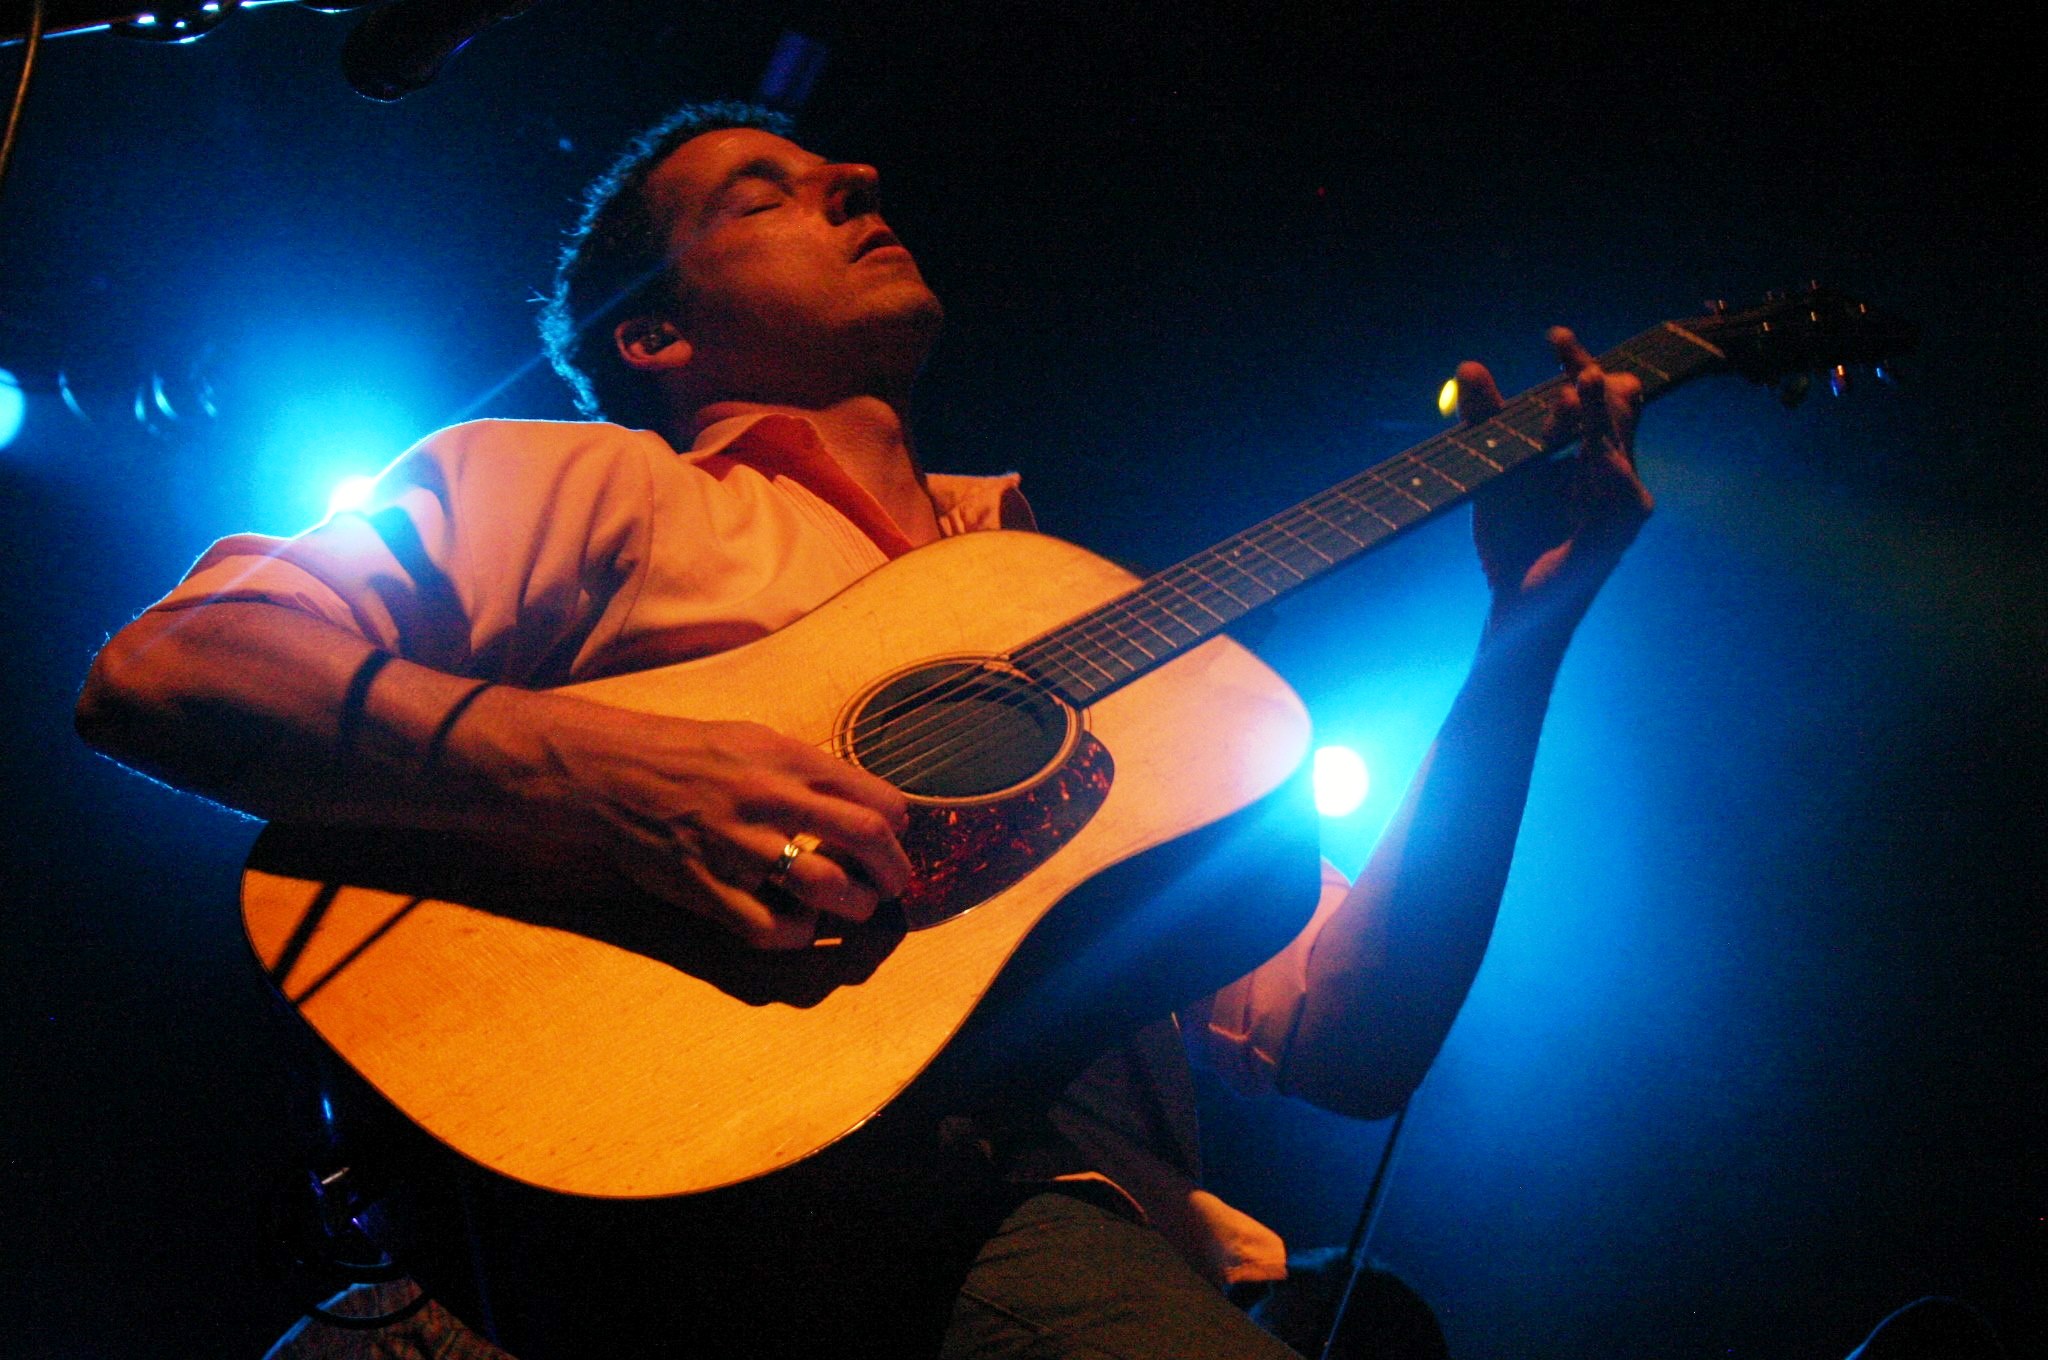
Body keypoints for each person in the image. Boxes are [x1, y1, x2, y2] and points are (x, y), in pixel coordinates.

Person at [75, 103, 1652, 1358]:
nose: (854, 176)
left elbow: (1348, 1041)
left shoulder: (1073, 609)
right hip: (671, 1196)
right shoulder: (586, 483)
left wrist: (1524, 631)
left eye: (830, 170)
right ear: (653, 337)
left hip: (1045, 1219)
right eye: (761, 194)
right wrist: (617, 780)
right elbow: (171, 669)